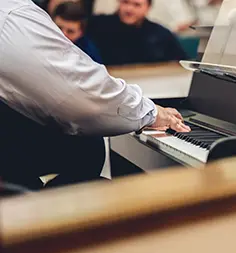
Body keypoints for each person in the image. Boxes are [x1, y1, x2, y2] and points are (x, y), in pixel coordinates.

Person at [0, 0, 190, 190]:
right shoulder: (13, 14)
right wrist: (150, 113)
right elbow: (81, 95)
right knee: (89, 147)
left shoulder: (160, 34)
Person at [86, 0, 188, 66]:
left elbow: (180, 62)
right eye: (125, 2)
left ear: (148, 8)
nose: (129, 9)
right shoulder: (98, 25)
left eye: (136, 5)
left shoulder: (161, 34)